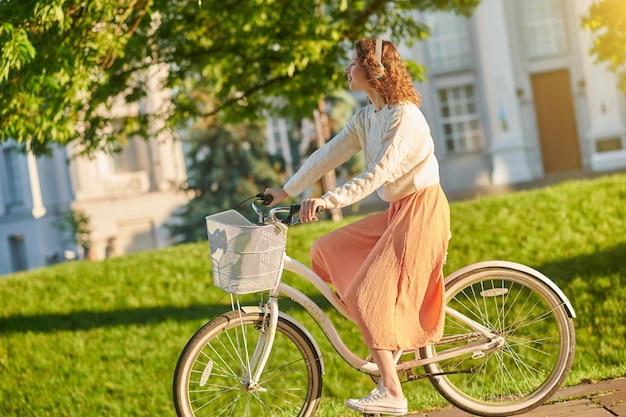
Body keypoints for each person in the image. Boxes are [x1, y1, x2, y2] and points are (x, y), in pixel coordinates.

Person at [264, 38, 450, 416]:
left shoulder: (405, 117)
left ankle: (393, 393)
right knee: (325, 250)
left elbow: (377, 173)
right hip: (397, 210)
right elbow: (328, 154)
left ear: (375, 70)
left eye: (353, 64)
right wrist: (288, 189)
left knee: (367, 291)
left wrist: (327, 200)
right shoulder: (368, 117)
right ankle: (383, 330)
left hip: (422, 211)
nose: (347, 70)